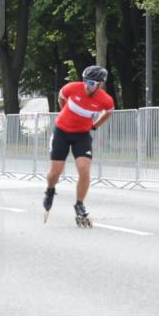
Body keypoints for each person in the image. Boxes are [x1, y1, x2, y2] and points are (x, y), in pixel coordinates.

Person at [42, 65, 114, 226]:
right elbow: (61, 97)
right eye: (85, 81)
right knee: (55, 173)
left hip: (82, 135)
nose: (87, 85)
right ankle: (50, 190)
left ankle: (79, 204)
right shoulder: (72, 88)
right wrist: (64, 111)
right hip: (62, 131)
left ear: (100, 84)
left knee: (84, 169)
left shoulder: (105, 99)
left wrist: (95, 126)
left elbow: (109, 111)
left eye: (92, 83)